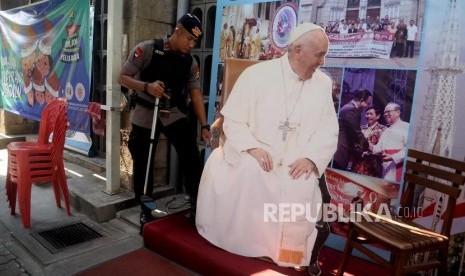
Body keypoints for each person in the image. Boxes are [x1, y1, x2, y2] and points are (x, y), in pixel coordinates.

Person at [196, 23, 339, 276]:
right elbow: (235, 120)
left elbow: (329, 130)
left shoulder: (323, 84)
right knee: (253, 172)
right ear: (297, 50)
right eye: (319, 54)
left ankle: (288, 253)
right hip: (256, 151)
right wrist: (252, 147)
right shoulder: (257, 75)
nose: (323, 61)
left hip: (297, 157)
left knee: (301, 182)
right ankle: (250, 245)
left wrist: (311, 158)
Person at [117, 13, 211, 222]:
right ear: (177, 31)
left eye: (195, 41)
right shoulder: (148, 49)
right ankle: (146, 210)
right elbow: (122, 77)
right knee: (143, 162)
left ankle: (196, 203)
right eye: (188, 38)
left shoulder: (190, 62)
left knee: (191, 156)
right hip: (145, 111)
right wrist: (146, 86)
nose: (191, 44)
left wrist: (205, 125)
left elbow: (195, 96)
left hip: (172, 113)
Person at [333, 89, 371, 171]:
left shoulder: (347, 107)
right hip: (339, 154)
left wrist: (360, 152)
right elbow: (357, 134)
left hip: (339, 154)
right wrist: (369, 146)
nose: (366, 107)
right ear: (361, 100)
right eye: (367, 104)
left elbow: (350, 137)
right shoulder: (352, 110)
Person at [372, 102, 409, 182]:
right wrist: (368, 146)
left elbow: (408, 149)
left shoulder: (406, 127)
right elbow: (378, 148)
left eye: (388, 111)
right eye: (384, 112)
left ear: (398, 112)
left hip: (398, 166)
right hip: (385, 167)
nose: (385, 114)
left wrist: (392, 157)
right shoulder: (386, 131)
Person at [353, 106, 386, 177]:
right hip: (358, 163)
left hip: (373, 165)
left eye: (371, 114)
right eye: (367, 114)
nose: (368, 116)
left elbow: (382, 148)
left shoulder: (383, 129)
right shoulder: (361, 128)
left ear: (378, 116)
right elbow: (355, 143)